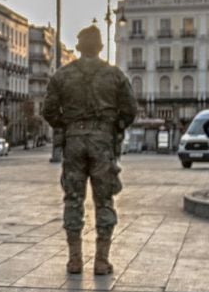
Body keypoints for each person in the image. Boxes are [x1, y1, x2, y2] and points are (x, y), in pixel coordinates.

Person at [43, 26, 138, 274]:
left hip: (73, 141)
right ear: (100, 48)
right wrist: (114, 126)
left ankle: (74, 259)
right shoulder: (115, 75)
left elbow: (49, 110)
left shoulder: (62, 76)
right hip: (102, 141)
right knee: (104, 199)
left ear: (79, 47)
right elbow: (130, 110)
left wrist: (67, 125)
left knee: (73, 199)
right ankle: (101, 261)